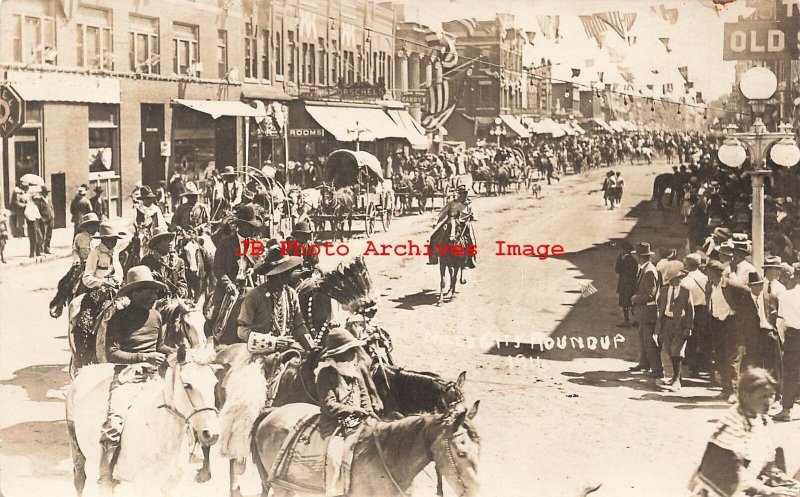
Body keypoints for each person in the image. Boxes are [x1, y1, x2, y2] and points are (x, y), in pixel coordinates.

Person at [97, 265, 174, 495]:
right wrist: (143, 357)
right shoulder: (118, 318)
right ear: (134, 293)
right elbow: (112, 353)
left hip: (153, 378)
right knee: (115, 421)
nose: (154, 296)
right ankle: (106, 474)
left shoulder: (157, 316)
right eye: (148, 291)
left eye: (155, 291)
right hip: (127, 377)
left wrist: (172, 352)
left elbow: (158, 345)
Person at [689, 368, 799, 497]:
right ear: (746, 397)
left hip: (751, 480)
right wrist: (767, 491)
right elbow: (729, 473)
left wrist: (775, 474)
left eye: (771, 395)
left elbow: (769, 458)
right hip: (726, 488)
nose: (769, 401)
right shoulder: (732, 422)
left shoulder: (763, 420)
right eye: (763, 396)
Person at [315, 327, 379, 497]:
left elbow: (364, 397)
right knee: (334, 458)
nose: (351, 357)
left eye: (352, 352)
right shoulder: (324, 374)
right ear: (335, 357)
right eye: (347, 353)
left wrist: (369, 413)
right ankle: (333, 492)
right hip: (335, 425)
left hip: (359, 424)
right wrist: (353, 410)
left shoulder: (355, 371)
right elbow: (329, 405)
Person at [74, 222, 125, 369]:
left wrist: (116, 280)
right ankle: (84, 357)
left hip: (115, 290)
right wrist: (102, 283)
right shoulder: (95, 253)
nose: (114, 242)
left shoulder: (114, 252)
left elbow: (119, 272)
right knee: (86, 322)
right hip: (98, 292)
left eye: (115, 239)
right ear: (104, 240)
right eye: (111, 239)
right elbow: (87, 277)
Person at [207, 205, 262, 341]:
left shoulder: (255, 244)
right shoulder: (225, 243)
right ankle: (215, 339)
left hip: (248, 286)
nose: (251, 230)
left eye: (252, 227)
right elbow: (218, 269)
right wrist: (228, 284)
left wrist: (253, 269)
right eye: (248, 227)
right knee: (215, 314)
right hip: (229, 288)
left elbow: (259, 263)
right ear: (240, 226)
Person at [706, 260, 757, 404]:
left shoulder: (733, 286)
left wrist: (743, 324)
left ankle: (734, 392)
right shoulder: (710, 286)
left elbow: (747, 295)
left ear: (716, 272)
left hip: (732, 324)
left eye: (709, 271)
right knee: (720, 358)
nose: (707, 274)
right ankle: (725, 389)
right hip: (717, 324)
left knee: (732, 360)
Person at [655, 261, 694, 391]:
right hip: (667, 322)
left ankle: (677, 380)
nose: (676, 281)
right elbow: (660, 307)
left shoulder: (685, 291)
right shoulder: (664, 290)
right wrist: (659, 327)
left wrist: (688, 327)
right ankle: (675, 377)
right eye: (674, 279)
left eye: (678, 279)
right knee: (669, 350)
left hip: (680, 324)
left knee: (677, 351)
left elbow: (690, 311)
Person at [630, 242, 662, 378]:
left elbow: (650, 294)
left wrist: (635, 298)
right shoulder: (645, 268)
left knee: (649, 342)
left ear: (639, 256)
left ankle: (657, 370)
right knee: (643, 340)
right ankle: (644, 364)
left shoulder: (649, 271)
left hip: (648, 312)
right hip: (644, 312)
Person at [746, 272, 781, 393]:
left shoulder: (771, 298)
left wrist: (775, 332)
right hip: (753, 336)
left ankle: (776, 395)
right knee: (755, 366)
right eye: (755, 285)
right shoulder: (744, 300)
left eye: (760, 285)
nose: (758, 288)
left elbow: (778, 317)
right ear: (750, 286)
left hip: (769, 334)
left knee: (773, 366)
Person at [774, 266, 800, 422]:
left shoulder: (785, 295)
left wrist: (785, 339)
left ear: (795, 277)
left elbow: (780, 322)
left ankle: (786, 410)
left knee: (790, 374)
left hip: (792, 336)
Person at [428, 184, 476, 268]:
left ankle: (470, 259)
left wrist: (471, 217)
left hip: (463, 223)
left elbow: (474, 215)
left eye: (464, 193)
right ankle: (433, 257)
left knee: (471, 239)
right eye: (461, 193)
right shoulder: (452, 203)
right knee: (434, 236)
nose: (463, 195)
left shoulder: (469, 204)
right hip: (450, 222)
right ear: (458, 194)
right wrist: (436, 220)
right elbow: (442, 213)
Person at [682, 253, 711, 377]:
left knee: (692, 340)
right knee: (704, 339)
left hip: (692, 311)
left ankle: (694, 368)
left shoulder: (685, 280)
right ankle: (705, 366)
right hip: (705, 311)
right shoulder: (706, 278)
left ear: (688, 264)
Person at [140, 228, 188, 300]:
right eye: (165, 240)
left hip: (174, 301)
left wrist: (182, 290)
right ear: (157, 244)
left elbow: (182, 282)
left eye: (170, 240)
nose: (170, 243)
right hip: (152, 301)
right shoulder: (147, 261)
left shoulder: (178, 262)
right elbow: (142, 285)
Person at [615, 241, 638, 328]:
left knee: (625, 304)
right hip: (630, 285)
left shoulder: (625, 259)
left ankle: (627, 321)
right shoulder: (633, 260)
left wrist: (620, 259)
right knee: (631, 303)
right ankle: (635, 320)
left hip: (625, 285)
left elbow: (617, 269)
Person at [23, 190, 43, 258]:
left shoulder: (35, 206)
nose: (37, 201)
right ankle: (32, 254)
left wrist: (38, 218)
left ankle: (38, 252)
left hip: (36, 223)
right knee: (33, 238)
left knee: (39, 237)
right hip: (32, 223)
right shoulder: (30, 205)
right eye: (36, 199)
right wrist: (32, 219)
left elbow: (38, 215)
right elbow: (26, 213)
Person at [36, 185, 55, 254]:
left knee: (49, 235)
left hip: (51, 219)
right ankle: (40, 250)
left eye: (47, 192)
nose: (46, 194)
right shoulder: (39, 201)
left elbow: (52, 208)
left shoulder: (49, 200)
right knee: (42, 235)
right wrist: (41, 219)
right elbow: (37, 211)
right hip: (43, 220)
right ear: (42, 193)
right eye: (45, 192)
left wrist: (53, 216)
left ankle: (47, 249)